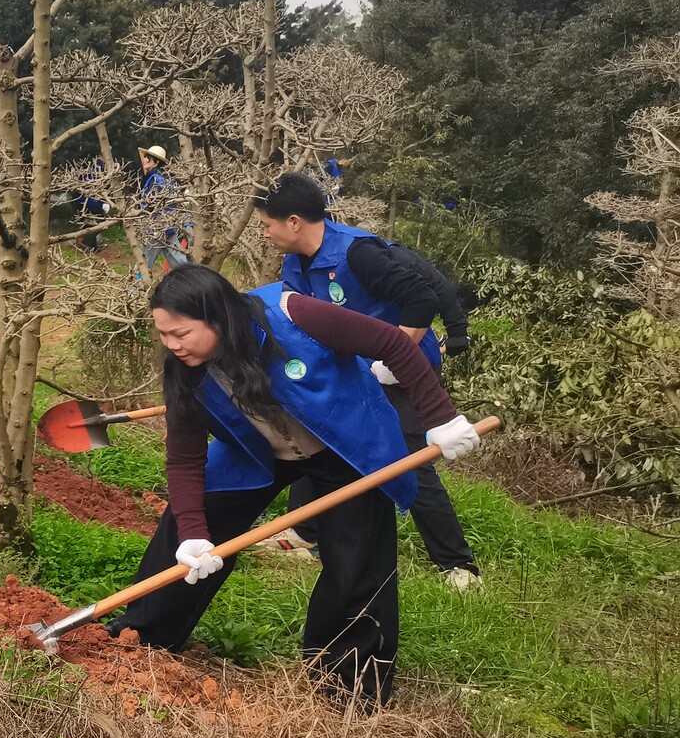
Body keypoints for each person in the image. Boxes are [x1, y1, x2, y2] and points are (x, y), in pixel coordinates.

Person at [108, 264, 483, 706]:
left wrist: (441, 418)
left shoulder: (294, 314)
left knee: (357, 560)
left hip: (342, 444)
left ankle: (346, 686)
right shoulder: (186, 372)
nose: (171, 345)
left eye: (181, 333)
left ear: (217, 318)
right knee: (193, 520)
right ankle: (143, 636)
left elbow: (391, 342)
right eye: (163, 334)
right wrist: (193, 532)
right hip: (257, 450)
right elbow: (186, 458)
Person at [255, 172, 481, 590]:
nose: (264, 233)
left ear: (293, 222)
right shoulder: (294, 262)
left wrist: (394, 360)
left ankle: (458, 565)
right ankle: (307, 534)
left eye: (267, 224)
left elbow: (422, 299)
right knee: (323, 439)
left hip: (403, 371)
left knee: (407, 460)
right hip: (356, 366)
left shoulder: (358, 253)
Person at [138, 145, 190, 273]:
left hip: (155, 229)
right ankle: (194, 282)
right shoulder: (165, 179)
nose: (145, 160)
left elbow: (153, 205)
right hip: (169, 228)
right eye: (145, 158)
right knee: (181, 264)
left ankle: (136, 288)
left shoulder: (155, 180)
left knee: (144, 265)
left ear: (156, 163)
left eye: (148, 159)